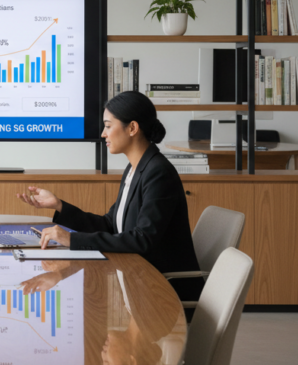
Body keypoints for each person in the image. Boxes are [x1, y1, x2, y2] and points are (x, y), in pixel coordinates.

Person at [16, 91, 204, 301]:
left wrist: (71, 239)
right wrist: (59, 205)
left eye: (108, 125)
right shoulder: (135, 169)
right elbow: (110, 224)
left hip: (160, 290)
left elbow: (143, 239)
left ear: (132, 128)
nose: (103, 134)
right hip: (137, 279)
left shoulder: (158, 173)